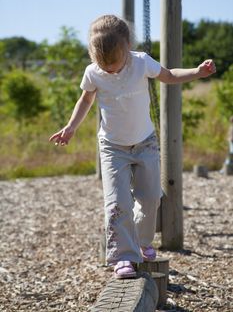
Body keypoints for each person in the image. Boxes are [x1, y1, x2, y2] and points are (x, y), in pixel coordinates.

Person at [49, 15, 216, 279]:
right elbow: (85, 100)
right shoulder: (93, 72)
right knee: (117, 202)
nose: (110, 70)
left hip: (145, 142)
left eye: (114, 64)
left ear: (127, 46)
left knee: (150, 197)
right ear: (93, 57)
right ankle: (123, 257)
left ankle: (142, 241)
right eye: (103, 65)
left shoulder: (140, 62)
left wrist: (197, 72)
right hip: (112, 147)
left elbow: (169, 75)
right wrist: (71, 127)